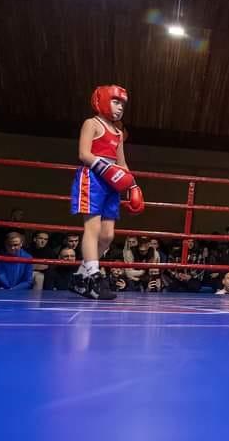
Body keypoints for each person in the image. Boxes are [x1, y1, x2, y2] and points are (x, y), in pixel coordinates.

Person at [69, 85, 145, 300]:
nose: (120, 107)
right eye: (115, 102)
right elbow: (84, 154)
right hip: (92, 178)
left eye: (122, 104)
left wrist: (133, 186)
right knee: (92, 229)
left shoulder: (119, 133)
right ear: (101, 101)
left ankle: (80, 277)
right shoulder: (91, 123)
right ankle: (94, 277)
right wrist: (107, 169)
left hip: (112, 183)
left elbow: (122, 163)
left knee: (107, 236)